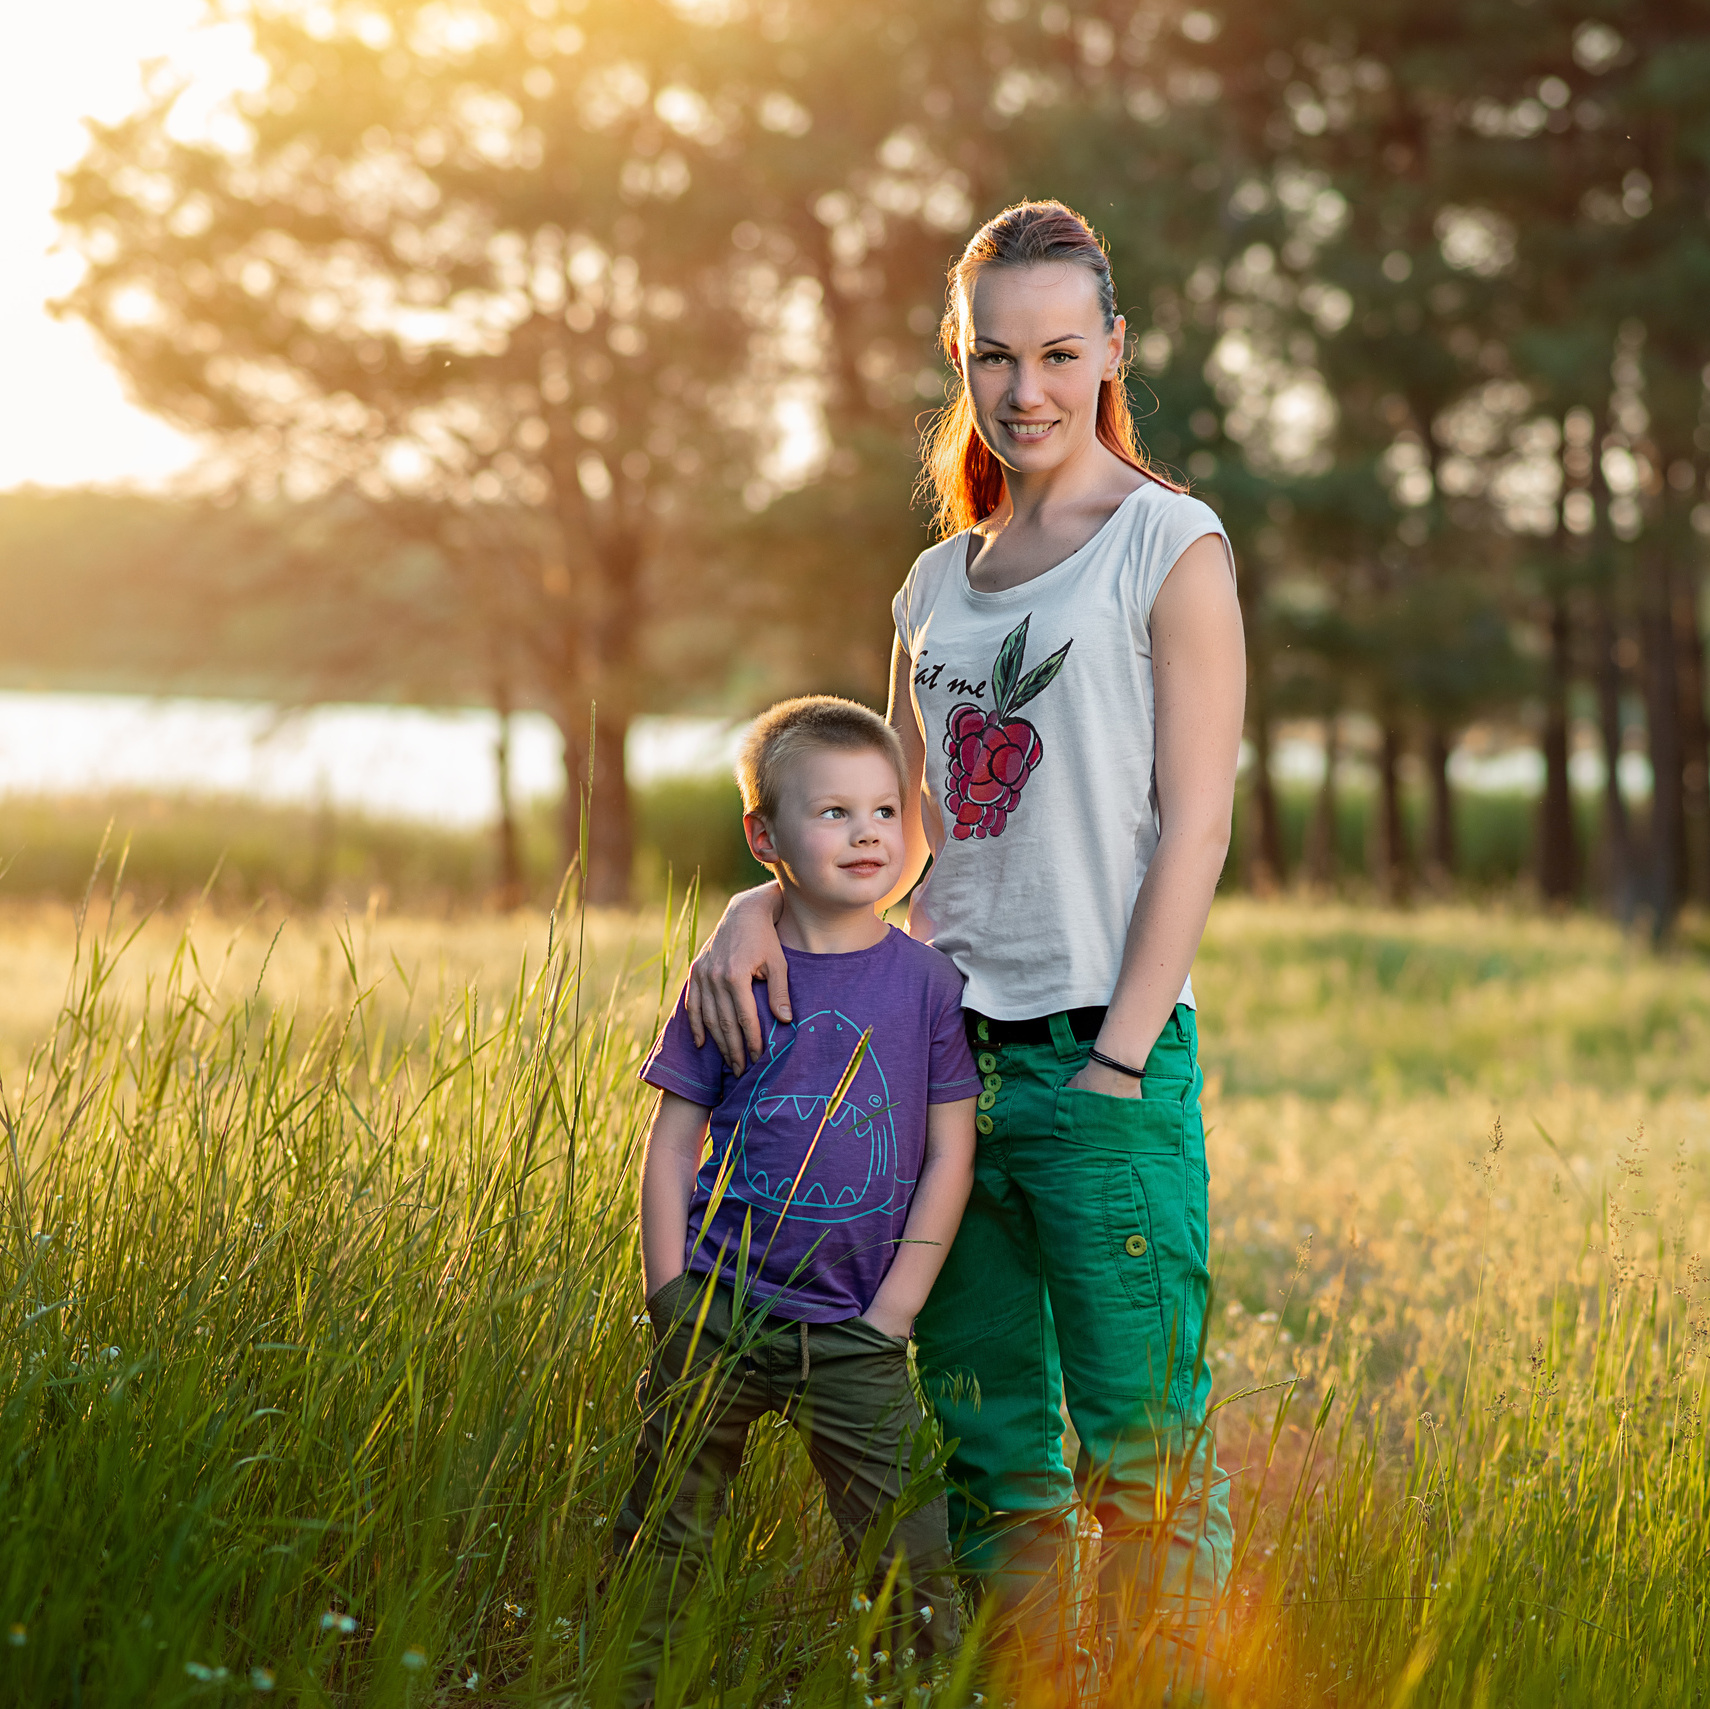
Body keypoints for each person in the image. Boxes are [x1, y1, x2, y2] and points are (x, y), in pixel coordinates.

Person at [684, 201, 1245, 1687]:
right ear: (960, 356)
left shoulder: (1168, 548)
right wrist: (758, 901)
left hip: (1100, 1069)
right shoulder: (934, 587)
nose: (1028, 388)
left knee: (1144, 1466)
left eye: (1061, 351)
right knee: (995, 1461)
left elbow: (1194, 824)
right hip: (941, 1076)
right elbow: (901, 826)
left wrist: (1120, 1062)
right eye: (994, 355)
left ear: (1113, 350)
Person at [613, 696, 979, 1702]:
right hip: (719, 1308)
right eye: (833, 813)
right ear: (763, 837)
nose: (866, 833)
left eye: (883, 812)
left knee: (908, 1555)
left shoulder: (928, 987)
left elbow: (952, 1150)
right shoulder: (730, 973)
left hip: (856, 1327)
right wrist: (669, 1294)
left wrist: (893, 1310)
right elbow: (673, 1139)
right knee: (663, 1535)